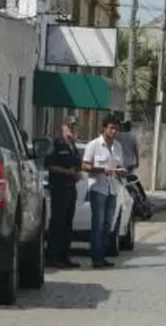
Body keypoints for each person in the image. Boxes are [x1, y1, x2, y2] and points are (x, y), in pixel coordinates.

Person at [82, 115, 125, 269]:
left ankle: (103, 256)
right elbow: (85, 166)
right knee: (98, 225)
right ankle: (96, 258)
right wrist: (101, 169)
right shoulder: (93, 145)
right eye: (111, 128)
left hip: (112, 189)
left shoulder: (118, 147)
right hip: (98, 188)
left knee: (108, 225)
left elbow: (120, 165)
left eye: (116, 129)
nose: (114, 131)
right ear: (104, 128)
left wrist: (120, 171)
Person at [44, 117, 83, 268]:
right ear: (63, 127)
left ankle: (64, 256)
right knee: (57, 223)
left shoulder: (73, 146)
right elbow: (50, 166)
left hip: (71, 188)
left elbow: (77, 166)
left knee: (67, 224)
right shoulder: (56, 144)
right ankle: (52, 257)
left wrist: (77, 173)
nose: (72, 128)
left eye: (74, 126)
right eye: (69, 126)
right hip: (59, 188)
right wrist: (67, 172)